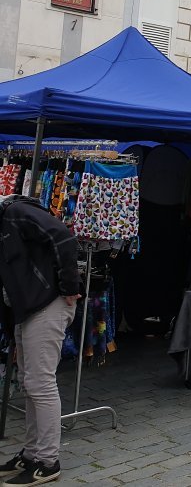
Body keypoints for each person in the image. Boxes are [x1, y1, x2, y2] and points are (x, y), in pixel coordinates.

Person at [0, 195, 80, 487]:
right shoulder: (8, 220)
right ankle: (33, 454)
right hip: (29, 309)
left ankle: (47, 461)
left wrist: (70, 286)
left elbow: (64, 238)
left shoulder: (17, 212)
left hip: (47, 304)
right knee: (30, 382)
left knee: (40, 383)